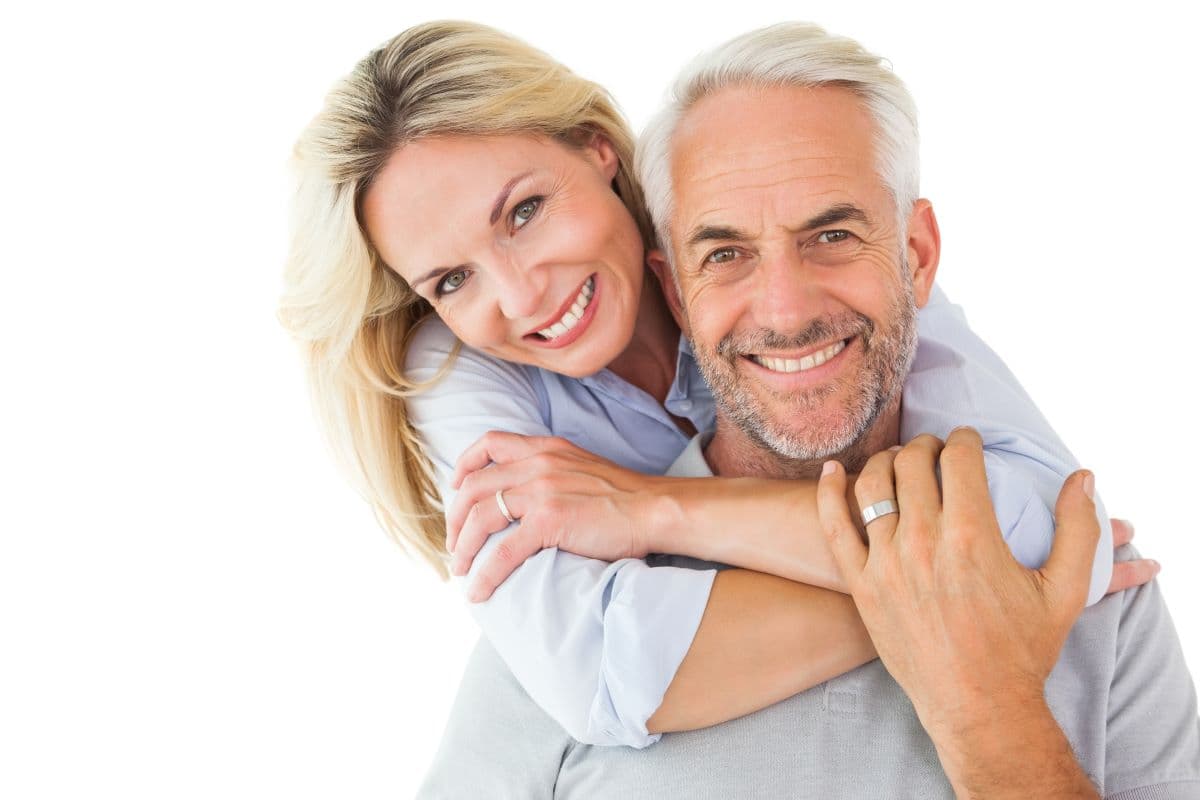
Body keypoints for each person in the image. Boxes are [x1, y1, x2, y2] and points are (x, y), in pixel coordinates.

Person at [279, 20, 1143, 749]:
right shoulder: (457, 372)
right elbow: (603, 674)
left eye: (525, 212)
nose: (520, 295)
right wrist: (971, 598)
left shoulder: (789, 235)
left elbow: (1035, 509)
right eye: (451, 279)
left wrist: (654, 507)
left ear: (596, 148)